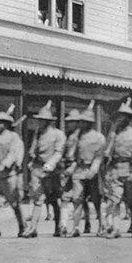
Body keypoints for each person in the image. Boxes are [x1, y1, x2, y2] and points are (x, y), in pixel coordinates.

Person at [62, 102, 106, 238]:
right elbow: (72, 154)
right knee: (77, 200)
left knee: (96, 200)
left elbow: (99, 156)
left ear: (90, 123)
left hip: (92, 170)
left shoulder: (99, 138)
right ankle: (75, 227)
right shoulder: (76, 136)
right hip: (78, 170)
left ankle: (101, 226)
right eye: (81, 121)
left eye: (84, 121)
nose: (81, 123)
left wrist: (94, 169)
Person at [24, 100, 65, 238]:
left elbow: (59, 152)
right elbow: (32, 151)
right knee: (38, 199)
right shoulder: (38, 134)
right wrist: (31, 161)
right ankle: (33, 228)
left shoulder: (58, 135)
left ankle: (58, 227)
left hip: (52, 171)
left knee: (53, 200)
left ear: (48, 121)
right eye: (39, 120)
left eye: (42, 120)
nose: (40, 122)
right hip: (37, 168)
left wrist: (51, 164)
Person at [104, 98, 132, 238]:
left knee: (131, 201)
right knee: (115, 200)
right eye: (119, 116)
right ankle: (116, 228)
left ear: (128, 118)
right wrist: (112, 132)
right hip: (115, 169)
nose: (120, 119)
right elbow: (107, 150)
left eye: (123, 117)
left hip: (129, 170)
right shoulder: (114, 134)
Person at [0, 105, 26, 238]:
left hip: (9, 175)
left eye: (0, 122)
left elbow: (14, 154)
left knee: (14, 203)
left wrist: (5, 164)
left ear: (6, 124)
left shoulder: (14, 137)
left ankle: (22, 226)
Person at [58, 108, 81, 236]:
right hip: (67, 167)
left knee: (78, 199)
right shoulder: (68, 136)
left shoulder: (81, 137)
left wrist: (73, 167)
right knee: (65, 198)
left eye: (72, 122)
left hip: (77, 168)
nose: (69, 124)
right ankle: (63, 225)